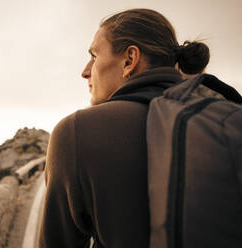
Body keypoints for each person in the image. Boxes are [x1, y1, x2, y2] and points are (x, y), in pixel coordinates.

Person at [39, 8, 210, 248]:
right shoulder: (217, 118)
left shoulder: (77, 131)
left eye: (94, 56)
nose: (85, 71)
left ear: (129, 60)